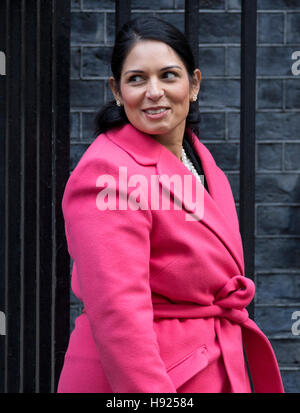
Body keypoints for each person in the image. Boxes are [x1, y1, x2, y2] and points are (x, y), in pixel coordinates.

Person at [57, 16, 284, 393]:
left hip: (204, 366)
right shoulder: (107, 172)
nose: (154, 92)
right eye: (136, 79)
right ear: (116, 90)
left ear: (193, 83)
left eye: (168, 75)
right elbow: (119, 315)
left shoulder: (198, 159)